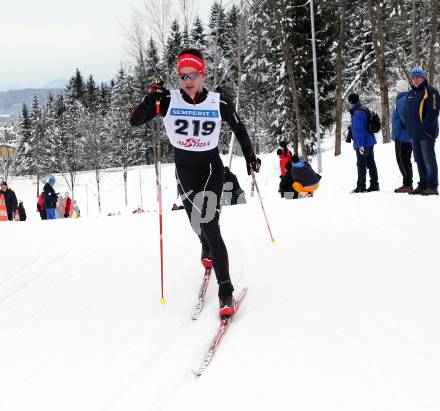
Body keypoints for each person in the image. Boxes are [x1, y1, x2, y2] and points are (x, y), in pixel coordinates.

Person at [130, 47, 261, 318]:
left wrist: (250, 157)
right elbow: (135, 121)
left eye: (192, 75)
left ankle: (226, 291)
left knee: (211, 225)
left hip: (212, 170)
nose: (187, 80)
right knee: (196, 223)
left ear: (202, 75)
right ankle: (204, 244)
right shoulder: (167, 100)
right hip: (184, 172)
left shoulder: (218, 102)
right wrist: (149, 99)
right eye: (182, 76)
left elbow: (240, 128)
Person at [405, 67, 440, 195]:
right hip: (414, 134)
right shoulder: (411, 93)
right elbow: (407, 113)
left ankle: (432, 186)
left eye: (417, 77)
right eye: (413, 77)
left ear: (423, 77)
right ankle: (423, 184)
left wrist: (425, 128)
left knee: (428, 160)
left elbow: (433, 112)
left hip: (426, 134)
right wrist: (408, 127)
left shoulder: (431, 91)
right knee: (419, 160)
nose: (415, 79)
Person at [348, 93, 379, 193]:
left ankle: (361, 187)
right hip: (370, 141)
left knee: (361, 165)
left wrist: (360, 145)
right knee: (371, 164)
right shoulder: (364, 108)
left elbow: (359, 130)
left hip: (363, 144)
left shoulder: (357, 113)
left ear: (351, 102)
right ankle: (374, 185)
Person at [392, 80, 413, 193]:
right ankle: (408, 182)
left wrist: (404, 127)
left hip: (402, 136)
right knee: (406, 160)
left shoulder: (402, 101)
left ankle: (407, 184)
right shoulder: (407, 98)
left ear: (398, 90)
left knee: (402, 159)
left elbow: (405, 117)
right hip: (406, 135)